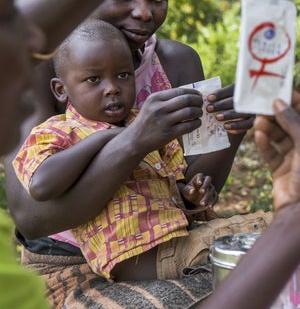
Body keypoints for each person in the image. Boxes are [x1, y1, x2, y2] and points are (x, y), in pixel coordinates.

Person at [0, 0, 300, 309]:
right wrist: (136, 138)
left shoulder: (178, 64)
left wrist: (233, 129)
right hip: (70, 263)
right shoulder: (46, 69)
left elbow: (193, 188)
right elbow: (34, 216)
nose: (143, 12)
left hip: (172, 240)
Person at [13, 20, 255, 283]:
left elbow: (173, 186)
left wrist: (192, 192)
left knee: (261, 237)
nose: (112, 88)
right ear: (61, 90)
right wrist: (109, 137)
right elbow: (41, 185)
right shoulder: (57, 132)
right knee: (257, 237)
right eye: (94, 79)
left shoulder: (145, 123)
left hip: (174, 243)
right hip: (137, 258)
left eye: (123, 75)